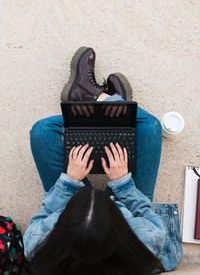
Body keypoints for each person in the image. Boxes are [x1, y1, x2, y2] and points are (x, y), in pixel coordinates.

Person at [23, 47, 183, 275]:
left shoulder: (40, 246)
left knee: (42, 131)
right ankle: (107, 104)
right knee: (150, 127)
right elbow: (150, 219)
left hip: (89, 219)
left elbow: (43, 217)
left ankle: (95, 101)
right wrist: (123, 184)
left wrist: (69, 182)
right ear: (122, 226)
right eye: (105, 200)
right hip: (127, 206)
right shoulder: (143, 240)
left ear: (62, 226)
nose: (98, 191)